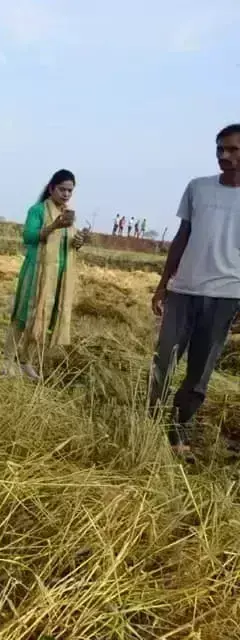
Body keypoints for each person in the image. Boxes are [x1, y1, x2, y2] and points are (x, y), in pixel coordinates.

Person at [149, 124, 240, 457]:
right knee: (163, 363)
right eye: (220, 149)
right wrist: (163, 284)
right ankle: (146, 428)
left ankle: (178, 436)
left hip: (227, 296)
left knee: (199, 372)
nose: (224, 156)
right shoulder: (198, 188)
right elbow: (181, 237)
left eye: (232, 150)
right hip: (184, 291)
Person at [4, 170, 86, 379]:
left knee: (43, 319)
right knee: (24, 315)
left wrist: (78, 241)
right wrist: (55, 225)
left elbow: (66, 245)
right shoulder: (38, 210)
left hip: (57, 276)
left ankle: (25, 361)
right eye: (62, 189)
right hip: (36, 271)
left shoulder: (68, 215)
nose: (66, 194)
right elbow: (29, 237)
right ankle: (7, 361)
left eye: (70, 190)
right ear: (51, 188)